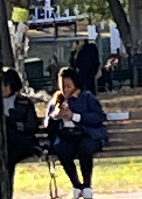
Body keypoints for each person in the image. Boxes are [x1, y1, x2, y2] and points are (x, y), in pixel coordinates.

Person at [45, 66, 108, 199]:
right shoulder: (57, 99)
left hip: (88, 134)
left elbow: (99, 117)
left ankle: (87, 185)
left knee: (85, 149)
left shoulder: (87, 97)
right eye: (63, 86)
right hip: (66, 135)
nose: (66, 90)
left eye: (69, 86)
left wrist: (74, 116)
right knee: (62, 150)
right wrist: (56, 116)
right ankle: (76, 185)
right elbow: (47, 121)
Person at [2, 67, 40, 176]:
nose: (3, 88)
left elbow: (32, 125)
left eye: (5, 85)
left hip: (22, 140)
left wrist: (15, 124)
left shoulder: (24, 103)